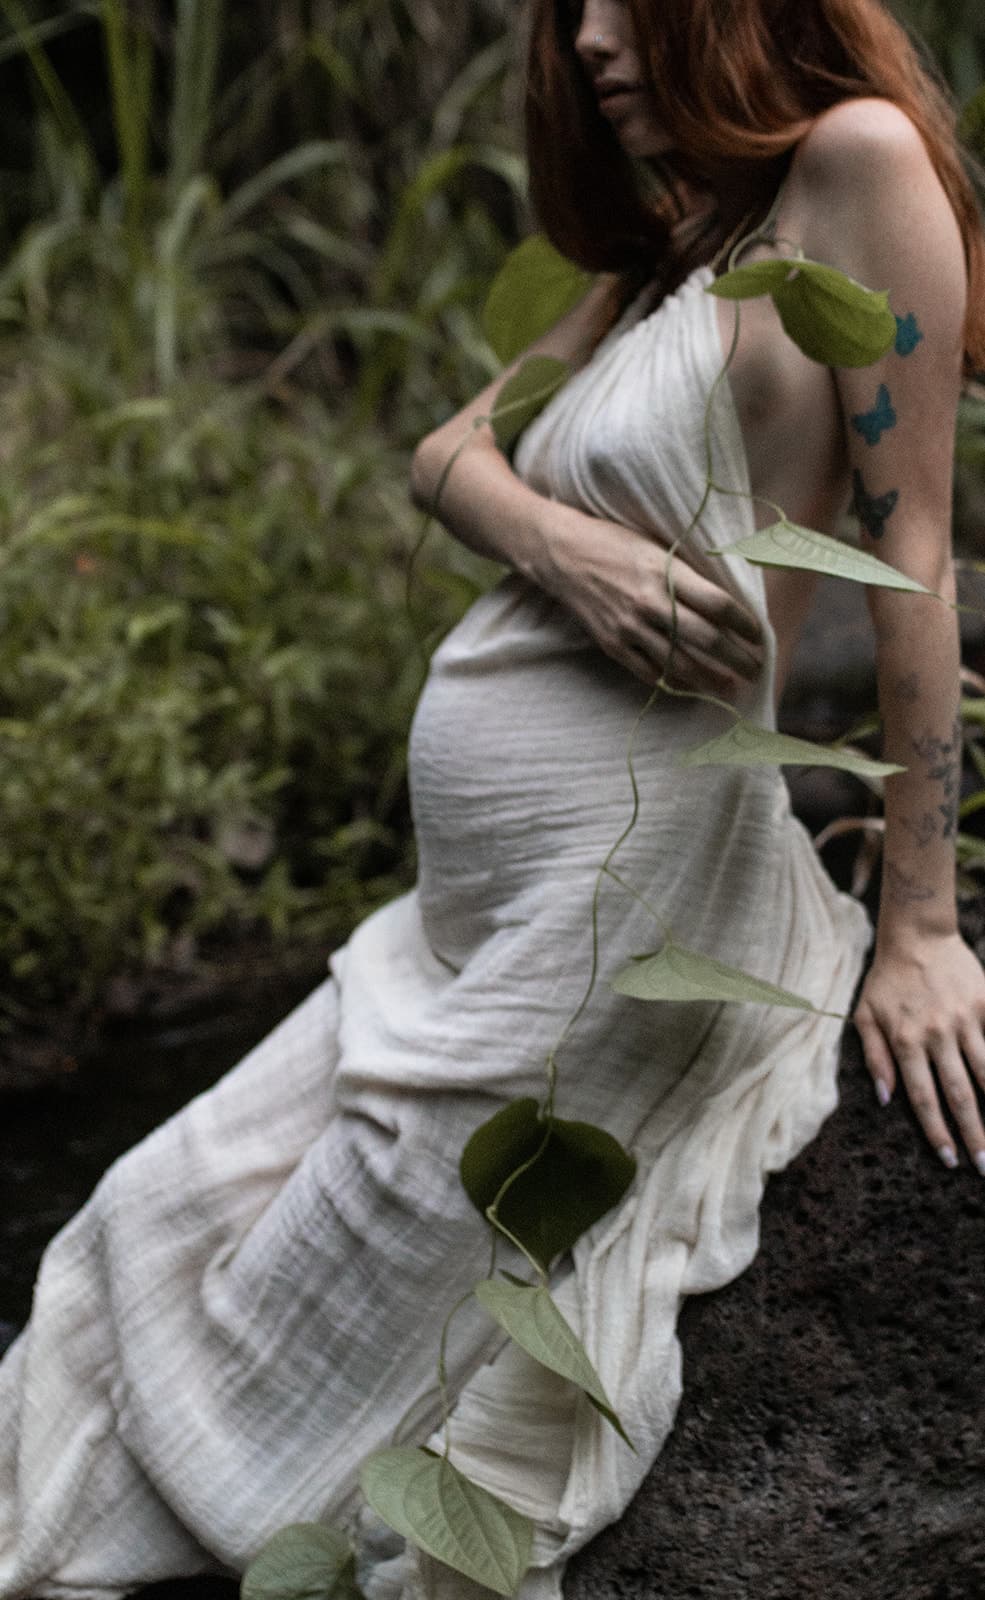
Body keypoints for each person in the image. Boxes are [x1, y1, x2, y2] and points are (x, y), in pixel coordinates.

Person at [2, 1, 984, 1596]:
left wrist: (921, 922)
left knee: (369, 1305)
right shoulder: (689, 231)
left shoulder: (854, 173)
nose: (590, 37)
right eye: (570, 8)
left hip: (627, 891)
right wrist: (564, 546)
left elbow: (912, 557)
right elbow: (447, 451)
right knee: (143, 1210)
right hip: (453, 916)